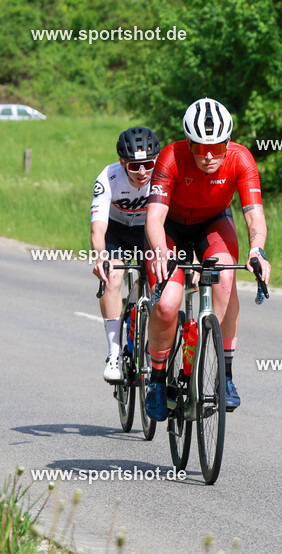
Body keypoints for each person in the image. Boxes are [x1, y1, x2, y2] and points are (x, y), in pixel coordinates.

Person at [143, 98, 271, 420]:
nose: (209, 156)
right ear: (189, 143)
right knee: (168, 303)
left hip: (213, 224)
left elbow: (254, 216)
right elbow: (154, 218)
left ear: (228, 142)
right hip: (170, 229)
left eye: (217, 147)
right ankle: (157, 378)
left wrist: (257, 251)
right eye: (200, 149)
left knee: (226, 279)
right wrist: (160, 251)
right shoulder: (170, 158)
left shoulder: (241, 159)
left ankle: (225, 376)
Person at [90, 126, 162, 382]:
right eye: (134, 166)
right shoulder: (108, 177)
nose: (142, 172)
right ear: (123, 163)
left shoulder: (163, 176)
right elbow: (98, 227)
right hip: (117, 232)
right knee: (114, 277)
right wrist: (101, 256)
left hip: (147, 231)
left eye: (148, 164)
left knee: (157, 280)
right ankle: (114, 352)